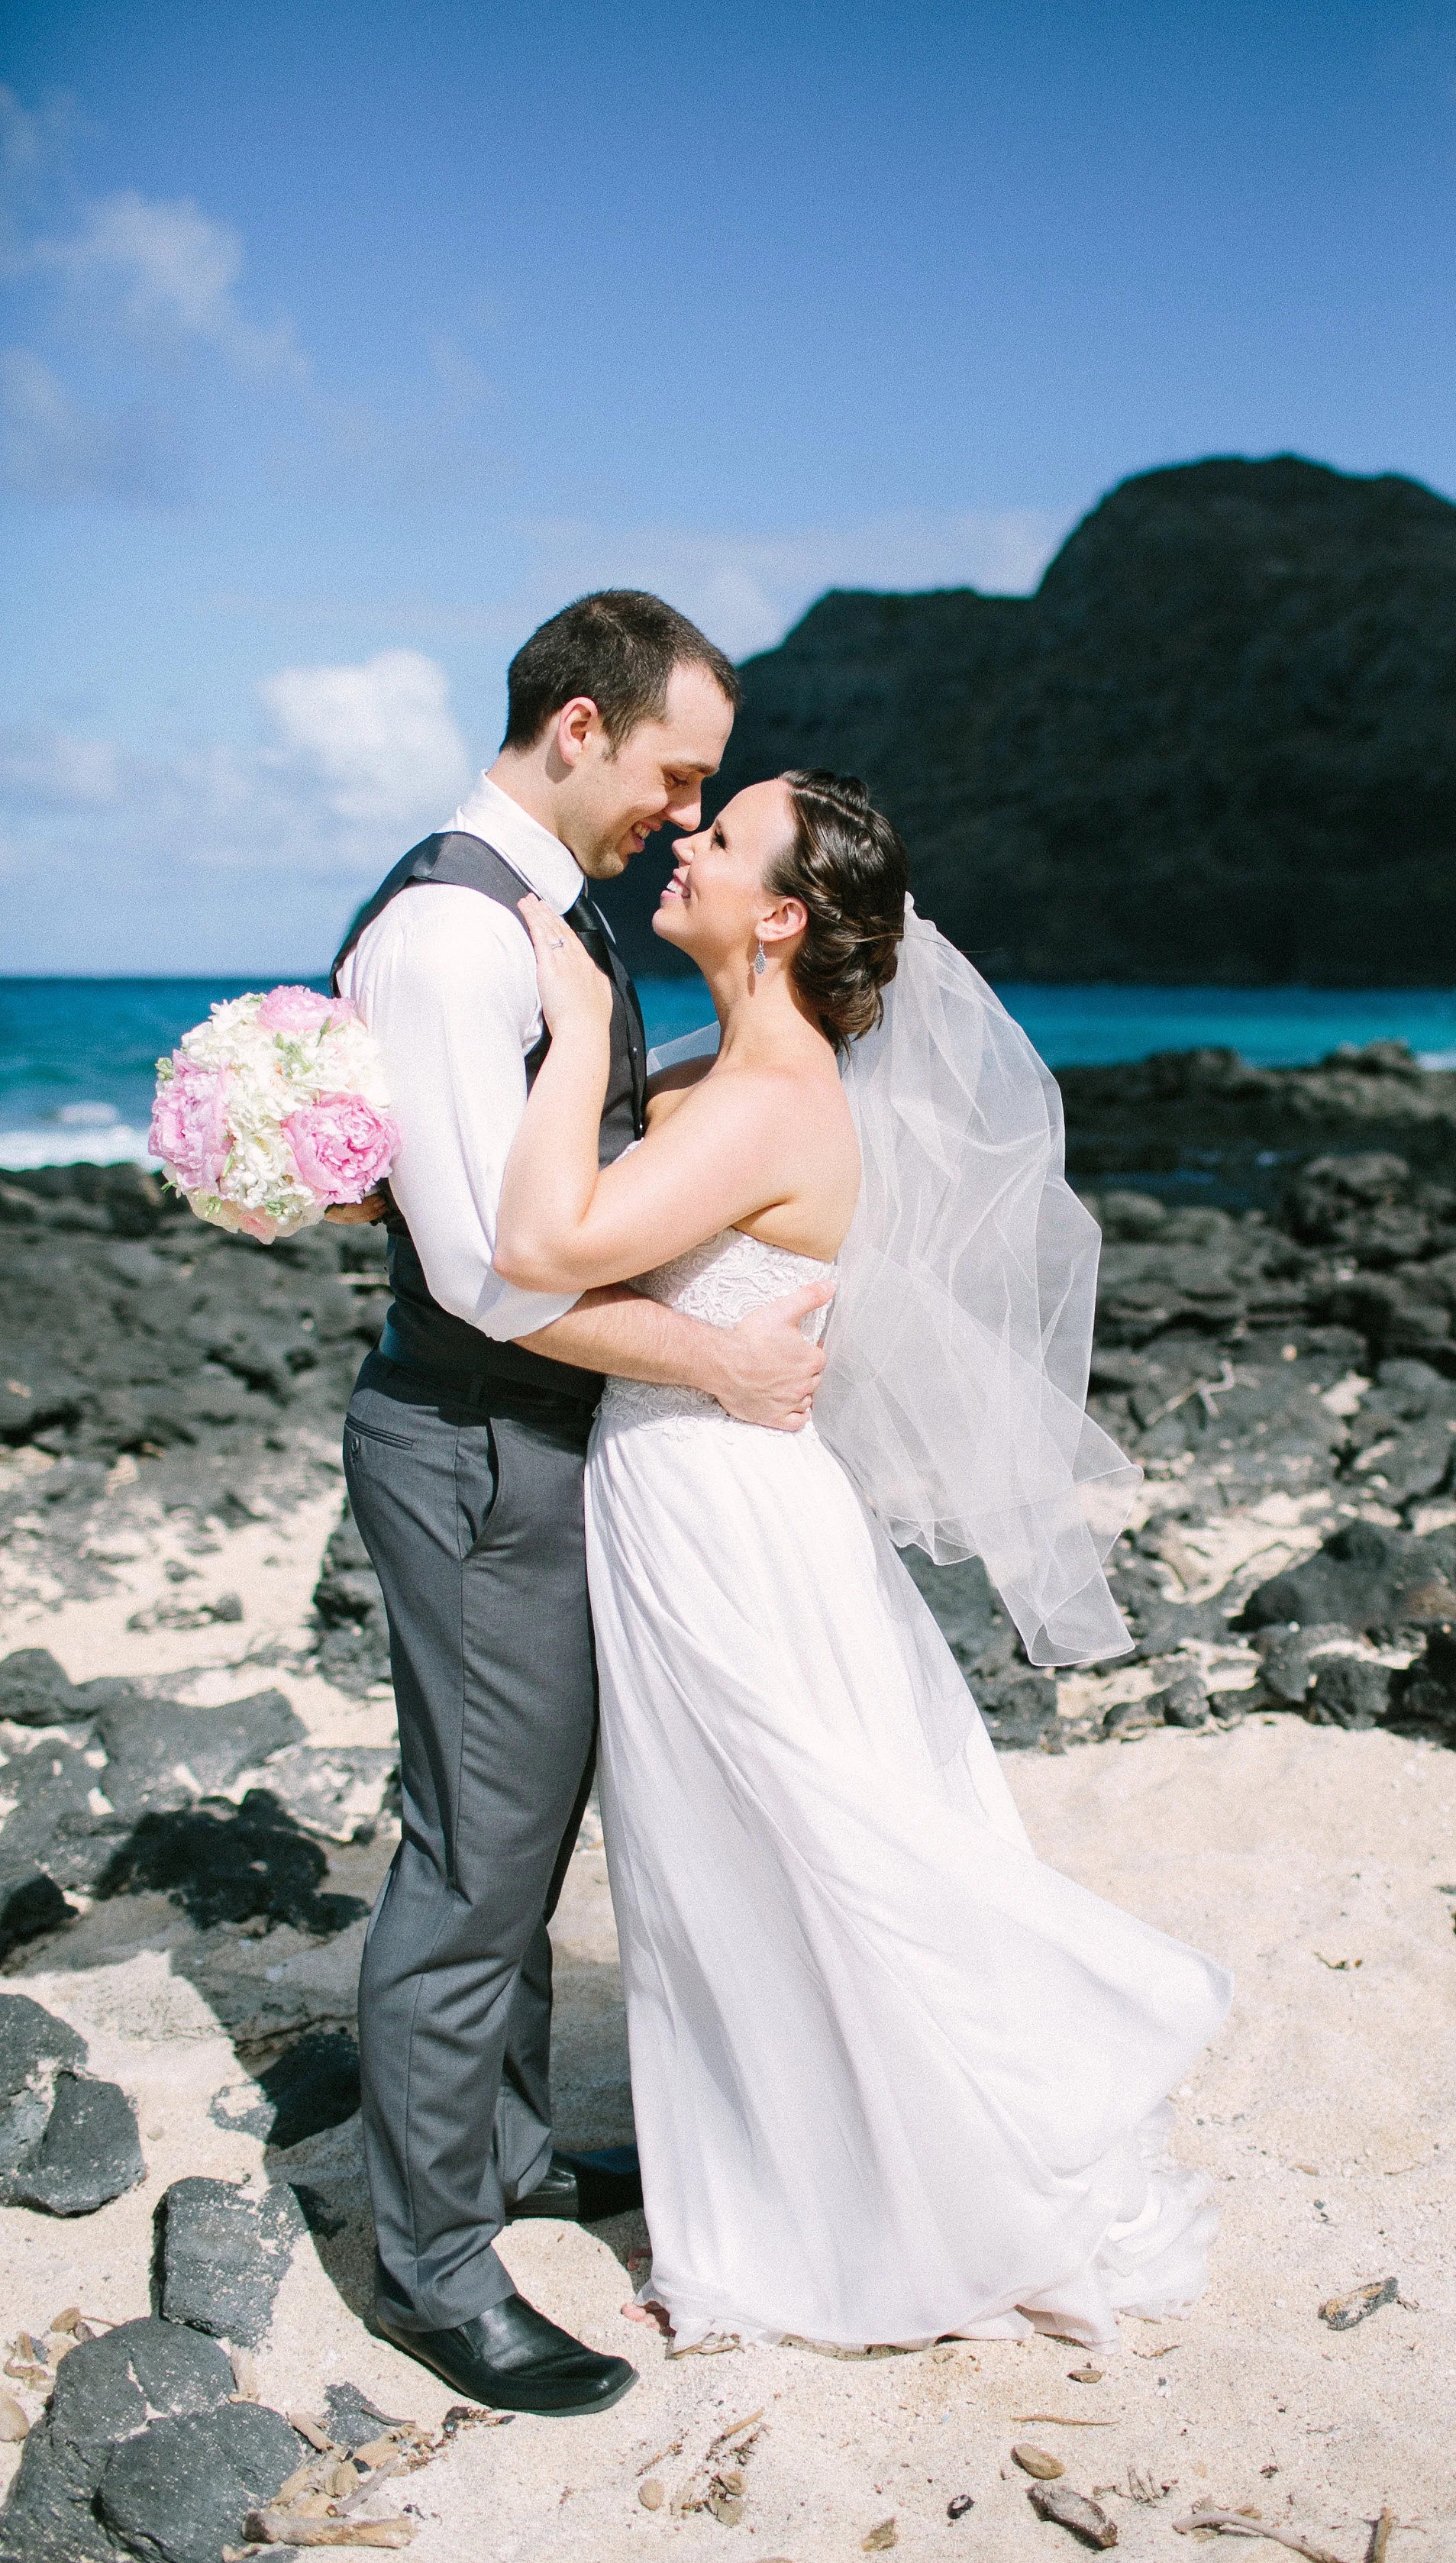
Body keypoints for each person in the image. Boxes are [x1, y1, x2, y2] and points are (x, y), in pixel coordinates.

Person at [493, 767, 1232, 2354]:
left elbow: (542, 1256)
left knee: (795, 1843)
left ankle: (874, 2193)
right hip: (709, 1477)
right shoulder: (725, 1066)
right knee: (742, 1853)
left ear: (776, 915)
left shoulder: (765, 1097)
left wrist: (560, 1016)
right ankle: (792, 2173)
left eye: (720, 832)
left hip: (716, 1498)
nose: (682, 840)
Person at [333, 593, 834, 2416]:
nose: (678, 813)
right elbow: (484, 1272)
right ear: (575, 729)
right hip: (475, 1440)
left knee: (525, 1829)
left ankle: (511, 2156)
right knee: (474, 1848)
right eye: (672, 771)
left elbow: (545, 1158)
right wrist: (713, 1365)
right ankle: (435, 2264)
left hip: (529, 1442)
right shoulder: (461, 933)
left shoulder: (533, 918)